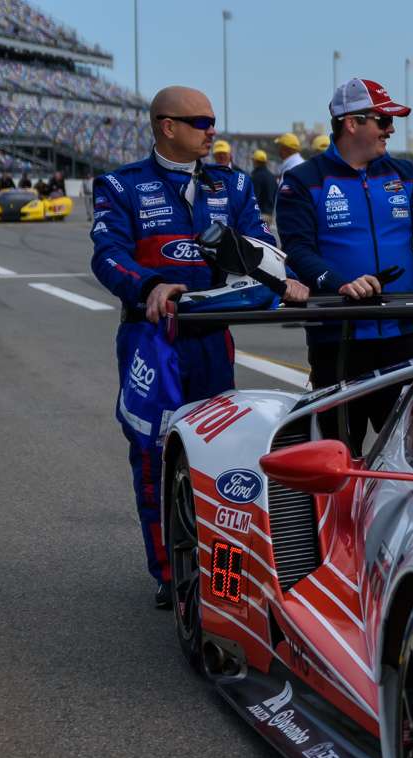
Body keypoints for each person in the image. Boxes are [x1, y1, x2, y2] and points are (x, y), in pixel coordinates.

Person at [91, 85, 309, 608]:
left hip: (213, 338)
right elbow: (107, 254)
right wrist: (149, 285)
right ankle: (170, 575)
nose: (213, 131)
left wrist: (283, 278)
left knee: (221, 456)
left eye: (213, 121)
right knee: (152, 458)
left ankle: (221, 575)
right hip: (152, 340)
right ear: (167, 126)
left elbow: (260, 245)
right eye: (202, 122)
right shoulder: (120, 185)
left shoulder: (233, 184)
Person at [278, 77, 413, 451]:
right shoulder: (304, 180)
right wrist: (339, 283)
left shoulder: (404, 173)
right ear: (352, 123)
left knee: (411, 454)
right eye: (383, 120)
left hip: (401, 338)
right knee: (336, 457)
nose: (391, 129)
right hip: (338, 342)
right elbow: (298, 250)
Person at [249, 148, 277, 224]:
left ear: (255, 161)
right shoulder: (272, 177)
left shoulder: (256, 176)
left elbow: (254, 196)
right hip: (269, 215)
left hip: (258, 215)